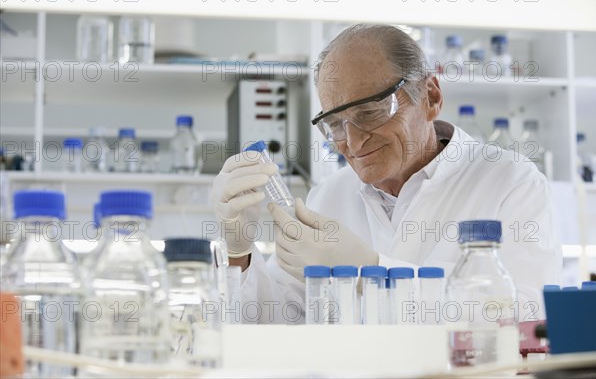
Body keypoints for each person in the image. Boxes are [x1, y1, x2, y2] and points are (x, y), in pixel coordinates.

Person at [210, 24, 561, 324]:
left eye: (371, 111)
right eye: (334, 124)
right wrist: (239, 252)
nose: (352, 140)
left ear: (431, 96)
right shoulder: (329, 196)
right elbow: (275, 323)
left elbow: (525, 320)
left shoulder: (510, 182)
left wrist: (370, 271)